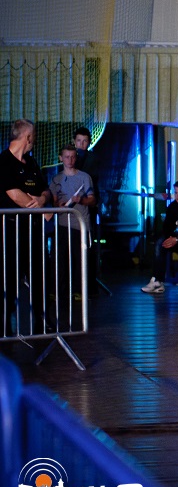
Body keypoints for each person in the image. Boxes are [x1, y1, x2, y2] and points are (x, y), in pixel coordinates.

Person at [0, 120, 52, 334]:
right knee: (8, 279)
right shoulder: (3, 161)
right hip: (10, 231)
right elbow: (14, 194)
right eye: (34, 136)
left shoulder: (31, 162)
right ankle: (5, 325)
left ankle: (42, 319)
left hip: (34, 231)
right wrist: (37, 206)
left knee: (40, 276)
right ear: (28, 137)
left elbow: (46, 190)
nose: (34, 140)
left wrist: (42, 200)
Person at [50, 145, 95, 294]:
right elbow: (54, 202)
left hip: (80, 225)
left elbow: (92, 200)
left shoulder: (84, 177)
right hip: (62, 225)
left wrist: (81, 200)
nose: (70, 160)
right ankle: (59, 291)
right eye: (67, 157)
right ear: (61, 158)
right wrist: (59, 205)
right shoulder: (56, 179)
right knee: (60, 260)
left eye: (72, 157)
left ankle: (79, 291)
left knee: (80, 260)